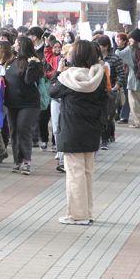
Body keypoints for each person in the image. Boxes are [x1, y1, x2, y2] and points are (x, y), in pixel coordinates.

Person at [50, 41, 106, 225]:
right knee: (87, 171)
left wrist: (58, 71)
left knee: (74, 172)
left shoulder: (67, 77)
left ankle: (77, 214)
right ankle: (87, 211)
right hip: (92, 129)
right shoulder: (98, 76)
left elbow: (52, 91)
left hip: (72, 130)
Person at [3, 36, 44, 175]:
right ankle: (17, 161)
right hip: (11, 102)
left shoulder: (35, 62)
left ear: (22, 46)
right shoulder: (12, 61)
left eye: (16, 44)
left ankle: (27, 161)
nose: (14, 45)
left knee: (23, 129)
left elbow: (28, 80)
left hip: (29, 103)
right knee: (14, 131)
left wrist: (32, 66)